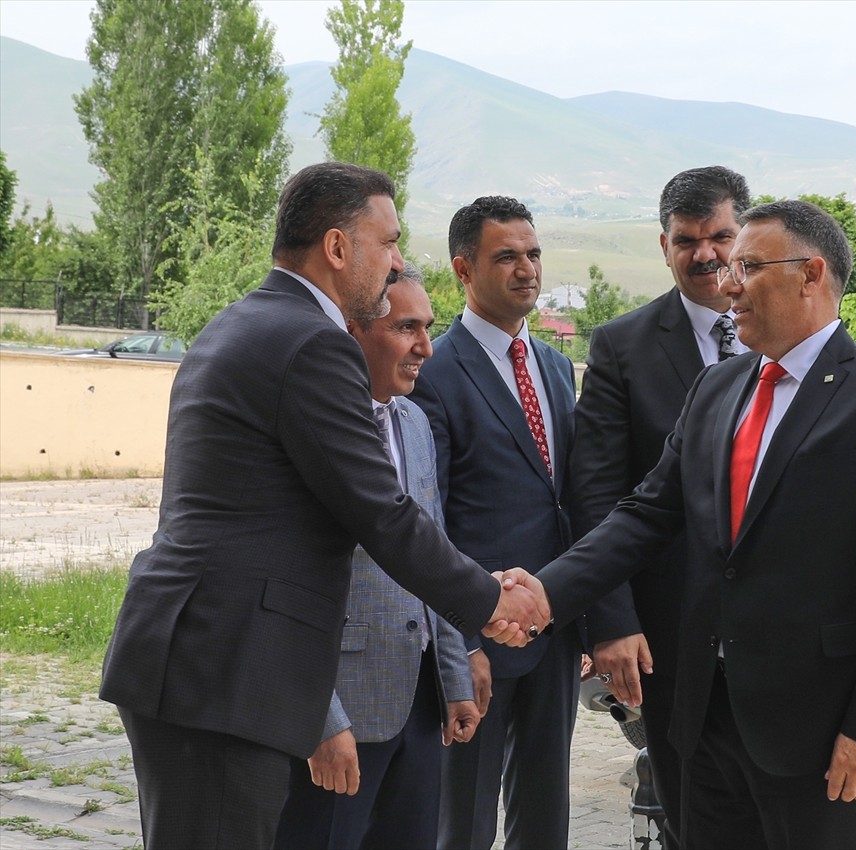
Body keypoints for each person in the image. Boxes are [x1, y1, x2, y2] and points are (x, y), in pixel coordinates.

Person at [98, 163, 546, 850]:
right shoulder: (314, 343)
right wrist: (488, 598)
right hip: (227, 667)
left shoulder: (247, 321)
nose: (396, 261)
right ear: (338, 249)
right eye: (388, 243)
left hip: (201, 658)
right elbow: (382, 513)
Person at [511, 200, 856, 849]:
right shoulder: (719, 388)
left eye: (747, 265)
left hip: (823, 737)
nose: (726, 283)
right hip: (703, 723)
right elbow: (643, 515)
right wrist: (546, 594)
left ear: (811, 274)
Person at [571, 165, 750, 850]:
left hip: (780, 639)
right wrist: (610, 621)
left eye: (720, 236)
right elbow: (597, 492)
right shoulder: (621, 346)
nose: (705, 254)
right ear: (663, 245)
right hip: (670, 639)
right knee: (692, 818)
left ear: (744, 235)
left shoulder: (790, 338)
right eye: (686, 240)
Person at [273, 264, 481, 849]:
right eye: (406, 327)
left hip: (419, 705)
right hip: (340, 706)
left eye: (428, 327)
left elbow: (430, 550)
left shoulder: (414, 420)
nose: (426, 347)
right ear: (353, 329)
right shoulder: (312, 421)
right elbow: (286, 575)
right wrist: (321, 717)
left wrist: (454, 674)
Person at [407, 196, 580, 850]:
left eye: (533, 254)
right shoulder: (435, 373)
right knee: (465, 822)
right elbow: (428, 522)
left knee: (545, 818)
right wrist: (463, 644)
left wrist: (581, 616)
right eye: (505, 256)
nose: (526, 269)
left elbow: (569, 504)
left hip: (552, 632)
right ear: (462, 269)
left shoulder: (557, 369)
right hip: (479, 638)